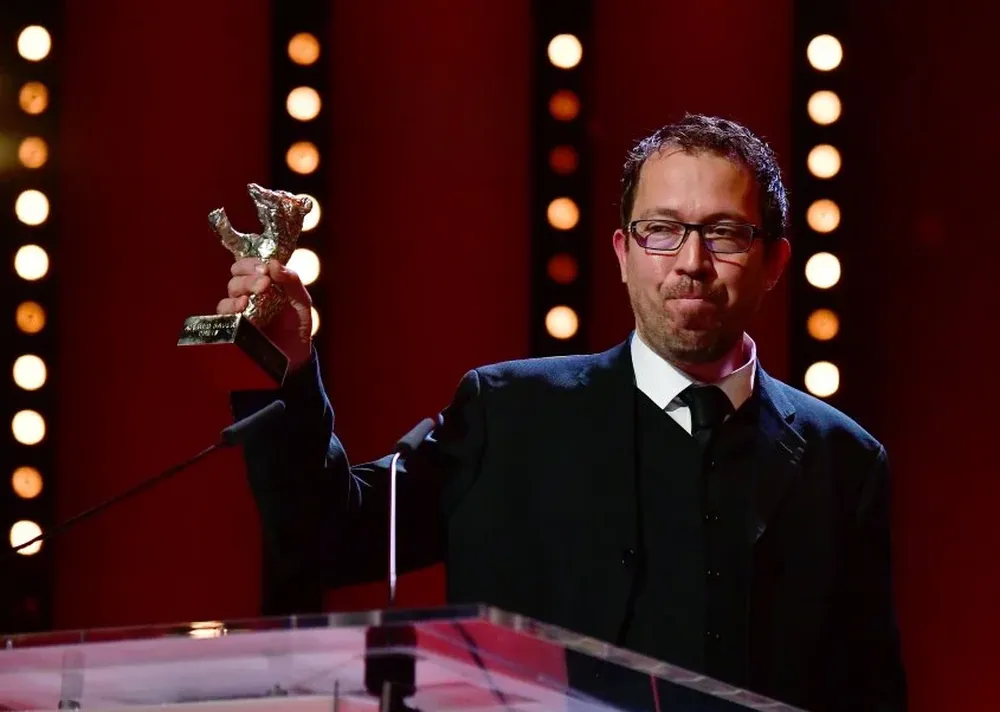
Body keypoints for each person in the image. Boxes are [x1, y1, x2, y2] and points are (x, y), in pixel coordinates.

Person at [222, 114, 907, 711]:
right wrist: (291, 369)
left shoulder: (842, 463)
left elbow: (869, 693)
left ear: (774, 262)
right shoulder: (508, 414)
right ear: (622, 253)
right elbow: (329, 536)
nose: (691, 262)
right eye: (662, 230)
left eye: (725, 234)